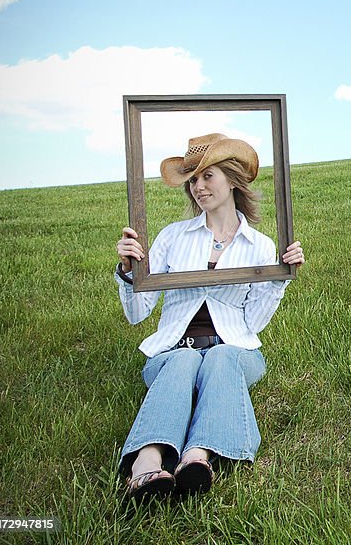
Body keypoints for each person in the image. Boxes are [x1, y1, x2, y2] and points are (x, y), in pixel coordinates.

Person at [114, 133, 305, 501]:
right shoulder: (173, 237)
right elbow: (139, 314)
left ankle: (196, 458)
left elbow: (253, 324)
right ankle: (146, 464)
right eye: (193, 180)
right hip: (173, 351)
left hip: (235, 350)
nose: (198, 187)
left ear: (232, 179)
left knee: (221, 355)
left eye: (208, 176)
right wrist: (128, 272)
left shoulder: (261, 246)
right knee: (184, 359)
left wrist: (279, 278)